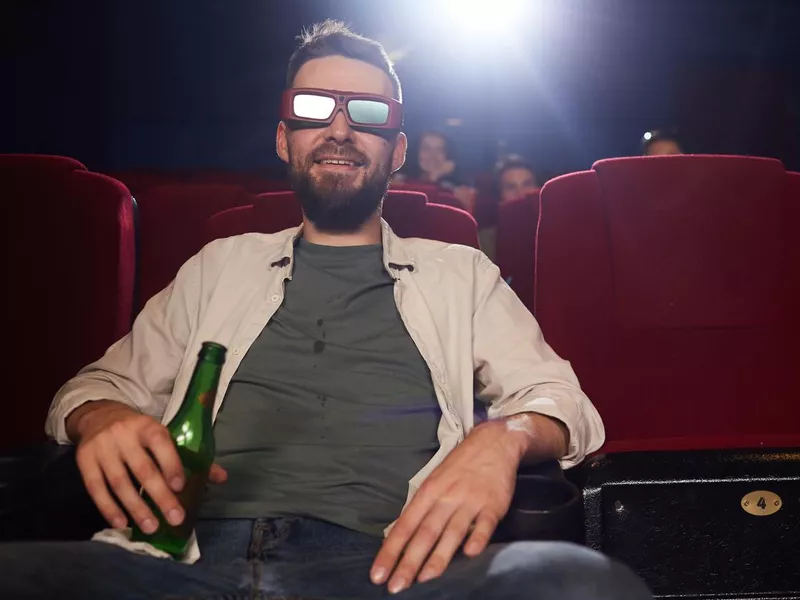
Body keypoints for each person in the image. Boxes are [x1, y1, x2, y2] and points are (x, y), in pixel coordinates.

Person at [0, 20, 652, 600]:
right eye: (315, 110)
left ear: (396, 151)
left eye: (366, 113)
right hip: (181, 563)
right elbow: (94, 389)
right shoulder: (217, 265)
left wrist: (501, 438)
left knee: (582, 581)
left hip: (391, 567)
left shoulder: (461, 273)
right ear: (285, 140)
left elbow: (564, 406)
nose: (340, 128)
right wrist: (102, 415)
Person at [396, 130, 478, 213]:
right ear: (416, 152)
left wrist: (436, 178)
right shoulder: (399, 180)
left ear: (447, 154)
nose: (433, 155)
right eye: (426, 148)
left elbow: (466, 218)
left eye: (440, 150)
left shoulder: (457, 185)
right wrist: (433, 179)